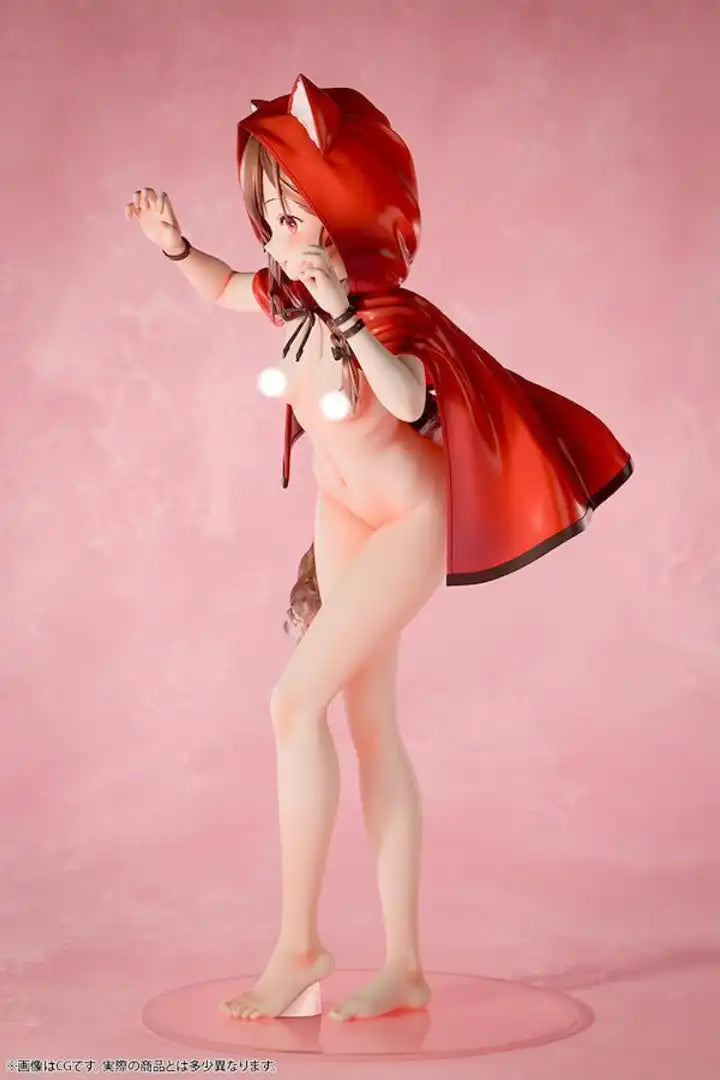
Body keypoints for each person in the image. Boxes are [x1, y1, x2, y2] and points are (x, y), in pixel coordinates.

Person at [125, 73, 633, 1023]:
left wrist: (347, 313)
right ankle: (404, 965)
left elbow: (407, 398)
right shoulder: (288, 296)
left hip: (405, 523)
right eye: (268, 217)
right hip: (342, 514)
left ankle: (299, 947)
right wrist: (178, 248)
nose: (276, 238)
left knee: (292, 704)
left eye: (294, 214)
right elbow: (226, 287)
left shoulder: (392, 314)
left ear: (349, 206)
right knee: (369, 727)